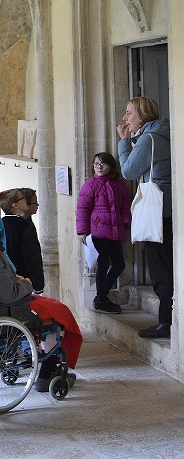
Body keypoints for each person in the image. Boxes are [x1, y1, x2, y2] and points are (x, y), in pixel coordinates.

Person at [0, 203, 82, 392]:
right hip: (2, 309)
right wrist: (26, 283)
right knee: (59, 314)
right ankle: (46, 375)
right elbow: (9, 294)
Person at [117, 96, 172, 338]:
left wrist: (124, 142)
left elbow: (128, 170)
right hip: (167, 208)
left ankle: (166, 322)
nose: (125, 118)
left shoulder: (149, 140)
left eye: (129, 113)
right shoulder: (161, 134)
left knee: (160, 268)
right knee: (166, 264)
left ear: (142, 115)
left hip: (156, 210)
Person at [76, 153, 132, 314]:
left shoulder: (119, 185)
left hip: (115, 231)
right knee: (103, 264)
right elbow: (82, 209)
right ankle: (101, 299)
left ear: (111, 166)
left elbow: (126, 206)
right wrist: (82, 231)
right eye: (95, 164)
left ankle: (101, 296)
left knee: (119, 264)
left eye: (102, 164)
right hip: (98, 232)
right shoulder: (90, 185)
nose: (99, 167)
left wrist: (125, 221)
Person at [1, 187, 45, 295]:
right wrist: (38, 284)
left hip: (7, 276)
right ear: (15, 205)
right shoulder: (25, 226)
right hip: (25, 279)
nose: (25, 201)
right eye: (22, 199)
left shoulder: (1, 223)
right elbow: (32, 256)